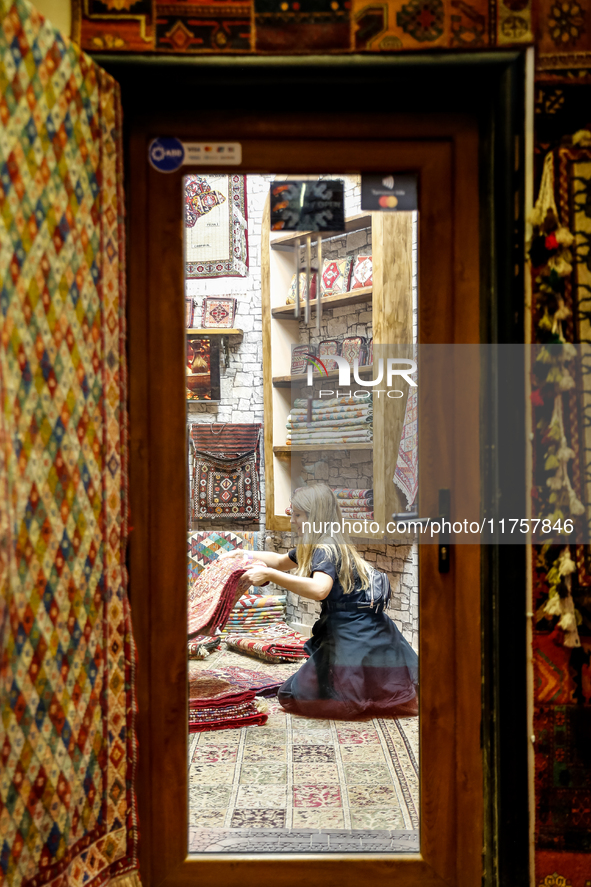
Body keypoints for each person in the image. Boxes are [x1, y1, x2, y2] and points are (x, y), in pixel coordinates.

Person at [220, 483, 418, 720]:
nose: (292, 520)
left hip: (355, 630)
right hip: (356, 626)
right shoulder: (320, 541)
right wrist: (244, 555)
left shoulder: (326, 547)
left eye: (297, 515)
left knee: (295, 696)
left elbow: (320, 589)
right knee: (296, 693)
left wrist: (271, 576)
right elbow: (281, 560)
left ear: (314, 517)